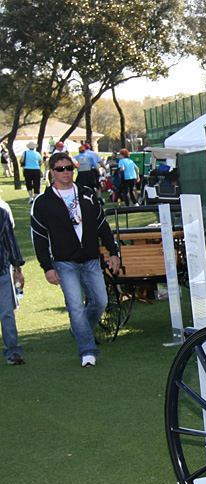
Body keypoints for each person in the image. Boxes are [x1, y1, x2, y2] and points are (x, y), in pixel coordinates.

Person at [30, 151, 120, 367]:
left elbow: (102, 225)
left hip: (90, 258)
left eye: (69, 168)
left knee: (100, 302)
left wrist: (113, 252)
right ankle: (87, 351)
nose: (66, 173)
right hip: (63, 262)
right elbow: (39, 238)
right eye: (60, 169)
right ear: (52, 172)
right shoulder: (42, 202)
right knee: (75, 307)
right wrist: (47, 267)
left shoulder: (87, 193)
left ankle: (79, 329)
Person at [0, 187, 25, 365]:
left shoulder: (2, 212)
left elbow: (10, 240)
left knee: (7, 312)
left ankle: (13, 351)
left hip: (1, 270)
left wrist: (17, 268)